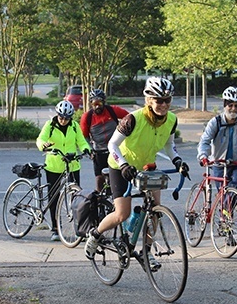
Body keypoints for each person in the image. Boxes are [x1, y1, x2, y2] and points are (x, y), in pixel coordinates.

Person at [84, 77, 189, 264]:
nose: (163, 105)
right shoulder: (133, 119)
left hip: (147, 167)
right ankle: (95, 234)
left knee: (155, 209)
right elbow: (112, 145)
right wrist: (123, 165)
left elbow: (169, 145)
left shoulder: (171, 120)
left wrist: (178, 161)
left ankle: (146, 251)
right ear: (149, 100)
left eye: (167, 100)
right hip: (120, 166)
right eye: (159, 100)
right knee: (121, 214)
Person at [36, 100, 91, 241]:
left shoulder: (74, 126)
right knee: (54, 198)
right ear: (57, 115)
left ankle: (79, 230)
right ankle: (55, 229)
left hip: (72, 165)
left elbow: (82, 141)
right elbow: (40, 139)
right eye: (61, 117)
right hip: (54, 166)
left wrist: (86, 149)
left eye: (66, 118)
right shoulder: (50, 125)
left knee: (77, 199)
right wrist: (44, 145)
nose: (63, 120)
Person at [197, 86, 237, 193]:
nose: (233, 109)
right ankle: (225, 209)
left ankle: (226, 210)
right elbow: (205, 141)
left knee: (236, 188)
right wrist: (203, 156)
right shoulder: (215, 122)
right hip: (219, 163)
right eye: (230, 105)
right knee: (222, 194)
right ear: (224, 106)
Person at [80, 89, 129, 192]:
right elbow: (84, 137)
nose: (97, 106)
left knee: (118, 177)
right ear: (91, 104)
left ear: (104, 102)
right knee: (99, 178)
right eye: (94, 103)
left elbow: (130, 118)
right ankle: (99, 202)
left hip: (115, 149)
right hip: (99, 151)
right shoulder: (87, 117)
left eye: (100, 103)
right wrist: (90, 150)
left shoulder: (112, 111)